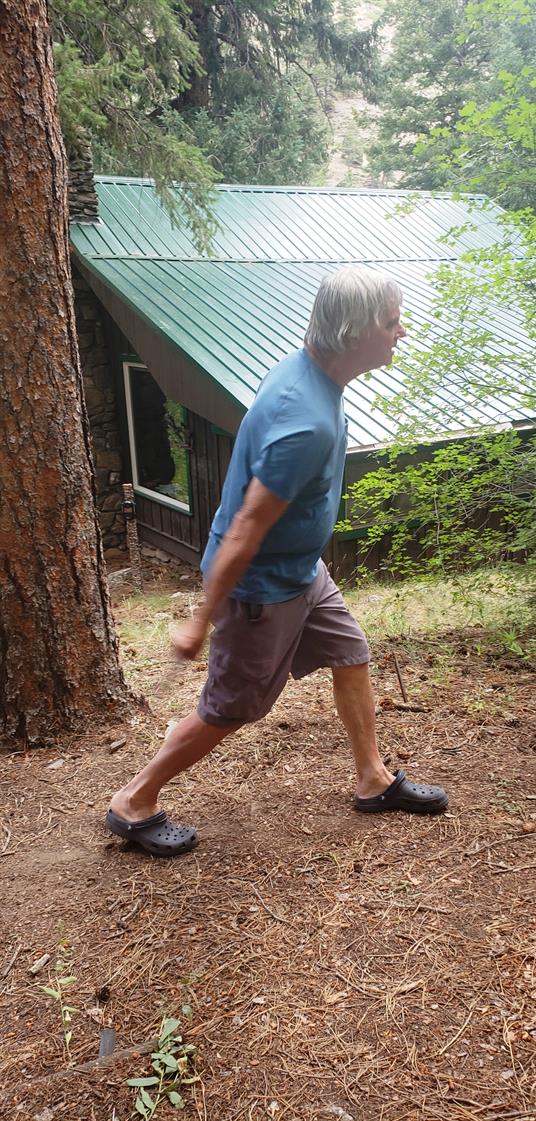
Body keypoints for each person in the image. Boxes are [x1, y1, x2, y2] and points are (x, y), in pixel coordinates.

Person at [106, 266, 448, 856]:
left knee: (350, 652)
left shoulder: (309, 372)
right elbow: (243, 530)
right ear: (354, 330)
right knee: (229, 710)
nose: (401, 332)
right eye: (391, 323)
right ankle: (133, 801)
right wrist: (201, 619)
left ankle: (373, 779)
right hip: (262, 590)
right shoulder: (305, 422)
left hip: (303, 572)